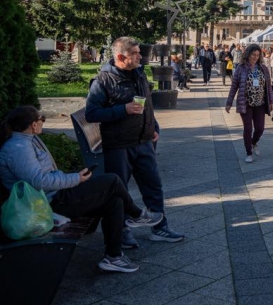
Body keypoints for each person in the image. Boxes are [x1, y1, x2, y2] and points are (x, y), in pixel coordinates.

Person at [0, 106, 164, 272]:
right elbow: (39, 181)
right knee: (112, 180)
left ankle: (113, 257)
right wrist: (75, 178)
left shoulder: (25, 141)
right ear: (33, 125)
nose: (43, 122)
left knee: (113, 200)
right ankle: (136, 215)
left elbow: (42, 177)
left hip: (53, 197)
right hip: (47, 206)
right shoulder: (18, 148)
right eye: (42, 119)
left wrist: (74, 178)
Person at [85, 36, 184, 247]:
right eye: (136, 53)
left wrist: (154, 127)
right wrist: (124, 109)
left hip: (144, 141)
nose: (141, 56)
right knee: (120, 192)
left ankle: (160, 227)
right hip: (119, 146)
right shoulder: (102, 81)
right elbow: (92, 113)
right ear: (121, 57)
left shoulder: (139, 74)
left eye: (140, 52)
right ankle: (121, 231)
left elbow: (147, 104)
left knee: (153, 185)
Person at [226, 43, 273, 163]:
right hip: (246, 103)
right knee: (248, 128)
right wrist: (229, 102)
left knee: (260, 128)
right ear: (248, 54)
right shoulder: (240, 68)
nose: (255, 57)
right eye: (253, 54)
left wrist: (272, 101)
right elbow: (234, 87)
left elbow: (268, 87)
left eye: (258, 55)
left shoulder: (263, 68)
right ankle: (248, 152)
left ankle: (254, 142)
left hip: (260, 103)